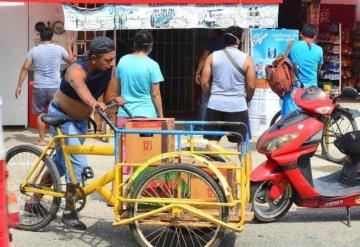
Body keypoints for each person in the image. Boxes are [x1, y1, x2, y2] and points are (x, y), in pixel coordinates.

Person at [25, 36, 124, 230]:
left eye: (113, 59)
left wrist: (115, 99)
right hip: (61, 117)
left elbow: (109, 94)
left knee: (61, 165)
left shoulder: (109, 71)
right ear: (93, 57)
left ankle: (34, 200)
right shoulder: (76, 69)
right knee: (77, 164)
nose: (111, 63)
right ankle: (69, 212)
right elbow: (81, 89)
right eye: (107, 60)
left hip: (79, 122)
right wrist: (94, 103)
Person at [15, 27, 74, 146]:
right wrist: (69, 46)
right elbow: (71, 61)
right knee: (56, 113)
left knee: (40, 113)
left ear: (40, 37)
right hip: (56, 87)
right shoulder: (59, 49)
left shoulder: (34, 51)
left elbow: (26, 67)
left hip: (39, 87)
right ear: (51, 37)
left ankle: (41, 140)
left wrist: (19, 86)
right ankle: (54, 141)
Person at [201, 26, 256, 149]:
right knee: (242, 143)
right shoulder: (247, 59)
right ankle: (244, 167)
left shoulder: (212, 57)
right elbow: (251, 85)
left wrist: (212, 95)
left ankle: (214, 167)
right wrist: (248, 98)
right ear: (238, 40)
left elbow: (204, 82)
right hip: (238, 106)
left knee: (212, 141)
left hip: (215, 105)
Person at [115, 30, 164, 126]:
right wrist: (160, 115)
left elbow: (117, 88)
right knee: (146, 141)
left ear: (134, 44)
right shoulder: (153, 65)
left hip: (124, 114)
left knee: (124, 141)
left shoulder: (123, 61)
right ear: (151, 45)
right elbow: (155, 94)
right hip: (146, 115)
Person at [281, 24, 324, 116]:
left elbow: (283, 65)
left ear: (301, 34)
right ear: (315, 36)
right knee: (309, 120)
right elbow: (318, 71)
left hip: (294, 91)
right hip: (312, 92)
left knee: (287, 122)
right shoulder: (319, 50)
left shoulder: (292, 46)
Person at [195, 29, 225, 122]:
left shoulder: (211, 41)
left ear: (214, 31)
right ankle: (220, 125)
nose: (207, 32)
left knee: (205, 100)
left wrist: (198, 72)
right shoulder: (226, 42)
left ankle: (201, 126)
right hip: (223, 75)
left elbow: (204, 58)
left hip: (210, 74)